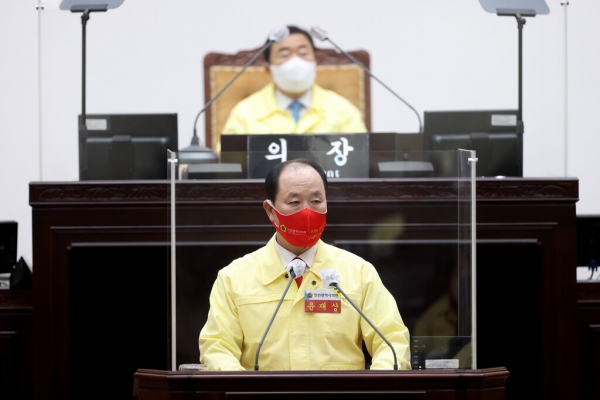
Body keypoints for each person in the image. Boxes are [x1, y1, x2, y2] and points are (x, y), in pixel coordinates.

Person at [199, 158, 411, 370]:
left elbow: (392, 340)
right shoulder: (234, 278)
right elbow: (218, 347)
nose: (307, 212)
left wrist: (375, 385)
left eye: (316, 201)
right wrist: (245, 388)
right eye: (294, 202)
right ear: (270, 210)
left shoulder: (359, 272)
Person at [221, 25, 368, 135]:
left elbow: (362, 154)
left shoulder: (341, 109)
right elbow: (228, 158)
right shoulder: (245, 112)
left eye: (303, 53)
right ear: (268, 70)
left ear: (315, 62)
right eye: (284, 55)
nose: (295, 62)